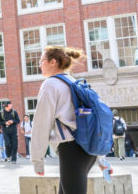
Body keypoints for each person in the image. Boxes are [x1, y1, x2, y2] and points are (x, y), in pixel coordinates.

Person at [31, 45, 96, 193]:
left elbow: (41, 124)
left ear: (53, 62)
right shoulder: (73, 82)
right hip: (86, 148)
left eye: (42, 61)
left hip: (71, 149)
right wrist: (102, 159)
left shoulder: (50, 84)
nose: (40, 65)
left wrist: (37, 160)